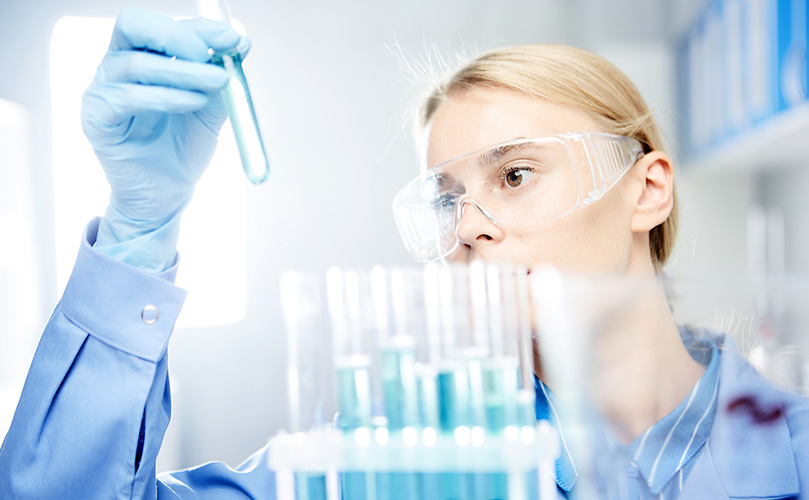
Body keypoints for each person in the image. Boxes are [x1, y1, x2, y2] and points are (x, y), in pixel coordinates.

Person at [0, 8, 806, 500]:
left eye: (515, 174)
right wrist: (142, 232)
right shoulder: (383, 460)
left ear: (647, 189)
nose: (468, 229)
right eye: (445, 202)